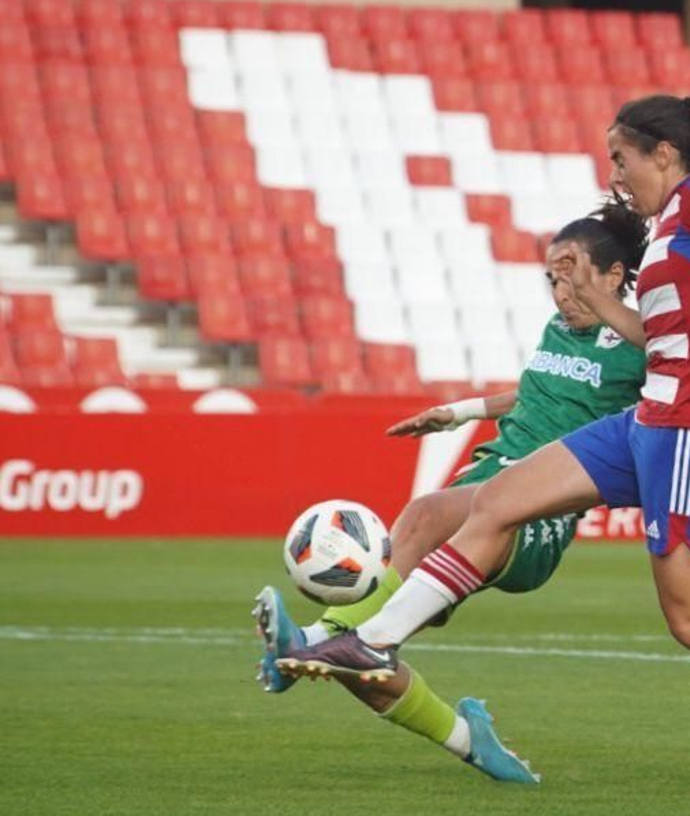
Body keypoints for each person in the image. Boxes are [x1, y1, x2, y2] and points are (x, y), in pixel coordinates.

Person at [279, 76, 690, 804]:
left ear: (667, 153)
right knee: (497, 499)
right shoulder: (672, 235)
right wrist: (602, 300)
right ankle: (373, 640)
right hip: (650, 416)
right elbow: (659, 341)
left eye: (622, 158)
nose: (614, 174)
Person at [256, 199, 649, 782]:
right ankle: (471, 742)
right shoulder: (558, 330)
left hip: (537, 512)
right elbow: (540, 392)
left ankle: (312, 637)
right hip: (488, 474)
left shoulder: (643, 345)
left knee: (421, 515)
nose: (558, 287)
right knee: (366, 660)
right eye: (551, 275)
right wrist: (459, 412)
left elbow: (671, 401)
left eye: (570, 269)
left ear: (613, 276)